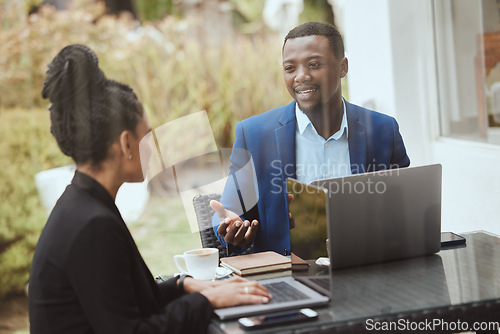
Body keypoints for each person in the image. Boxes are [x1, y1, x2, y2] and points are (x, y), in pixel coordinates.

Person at [28, 44, 271, 334]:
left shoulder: (82, 205)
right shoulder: (92, 224)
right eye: (147, 137)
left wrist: (182, 286)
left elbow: (122, 300)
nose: (153, 150)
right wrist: (207, 300)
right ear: (126, 143)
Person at [211, 22, 410, 256]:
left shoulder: (384, 129)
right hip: (288, 275)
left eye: (314, 64)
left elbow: (406, 208)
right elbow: (229, 209)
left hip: (370, 266)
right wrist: (231, 225)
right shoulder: (253, 133)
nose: (301, 77)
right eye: (290, 68)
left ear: (343, 67)